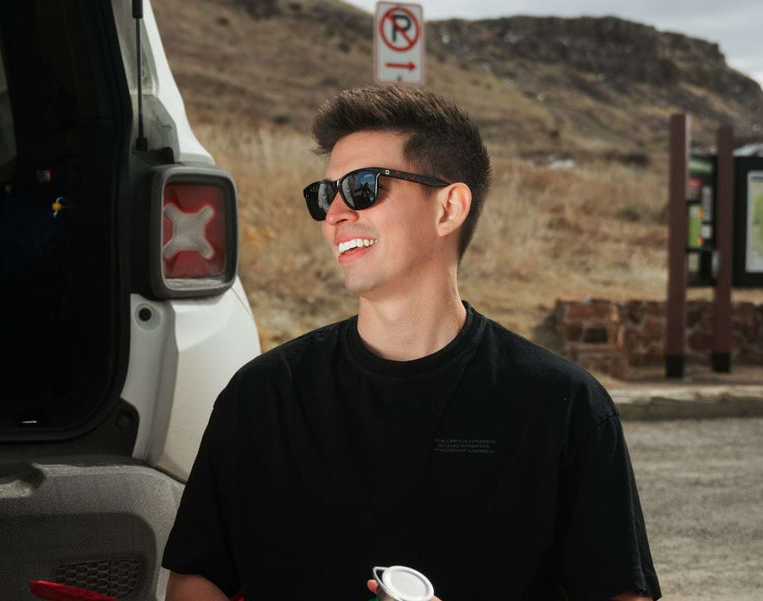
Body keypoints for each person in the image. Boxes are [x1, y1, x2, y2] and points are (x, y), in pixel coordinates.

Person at [161, 86, 661, 601]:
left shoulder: (562, 405)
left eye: (361, 187)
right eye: (323, 194)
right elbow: (198, 578)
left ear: (449, 208)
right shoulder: (262, 396)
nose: (334, 213)